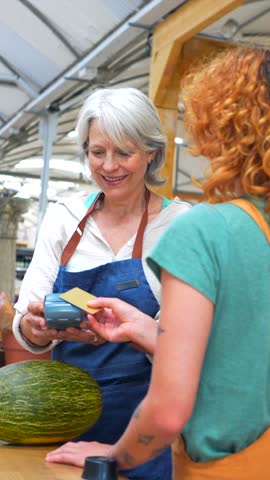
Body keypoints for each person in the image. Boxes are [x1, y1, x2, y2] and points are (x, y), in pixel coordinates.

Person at [45, 46, 270, 479]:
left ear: (219, 125)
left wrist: (110, 459)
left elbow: (167, 411)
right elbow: (237, 351)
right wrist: (144, 326)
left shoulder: (203, 230)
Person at [13, 87, 190, 480]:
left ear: (151, 153)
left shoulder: (180, 226)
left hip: (148, 426)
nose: (109, 166)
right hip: (62, 422)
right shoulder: (64, 218)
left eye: (124, 152)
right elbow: (25, 323)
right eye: (97, 152)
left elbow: (187, 348)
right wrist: (36, 327)